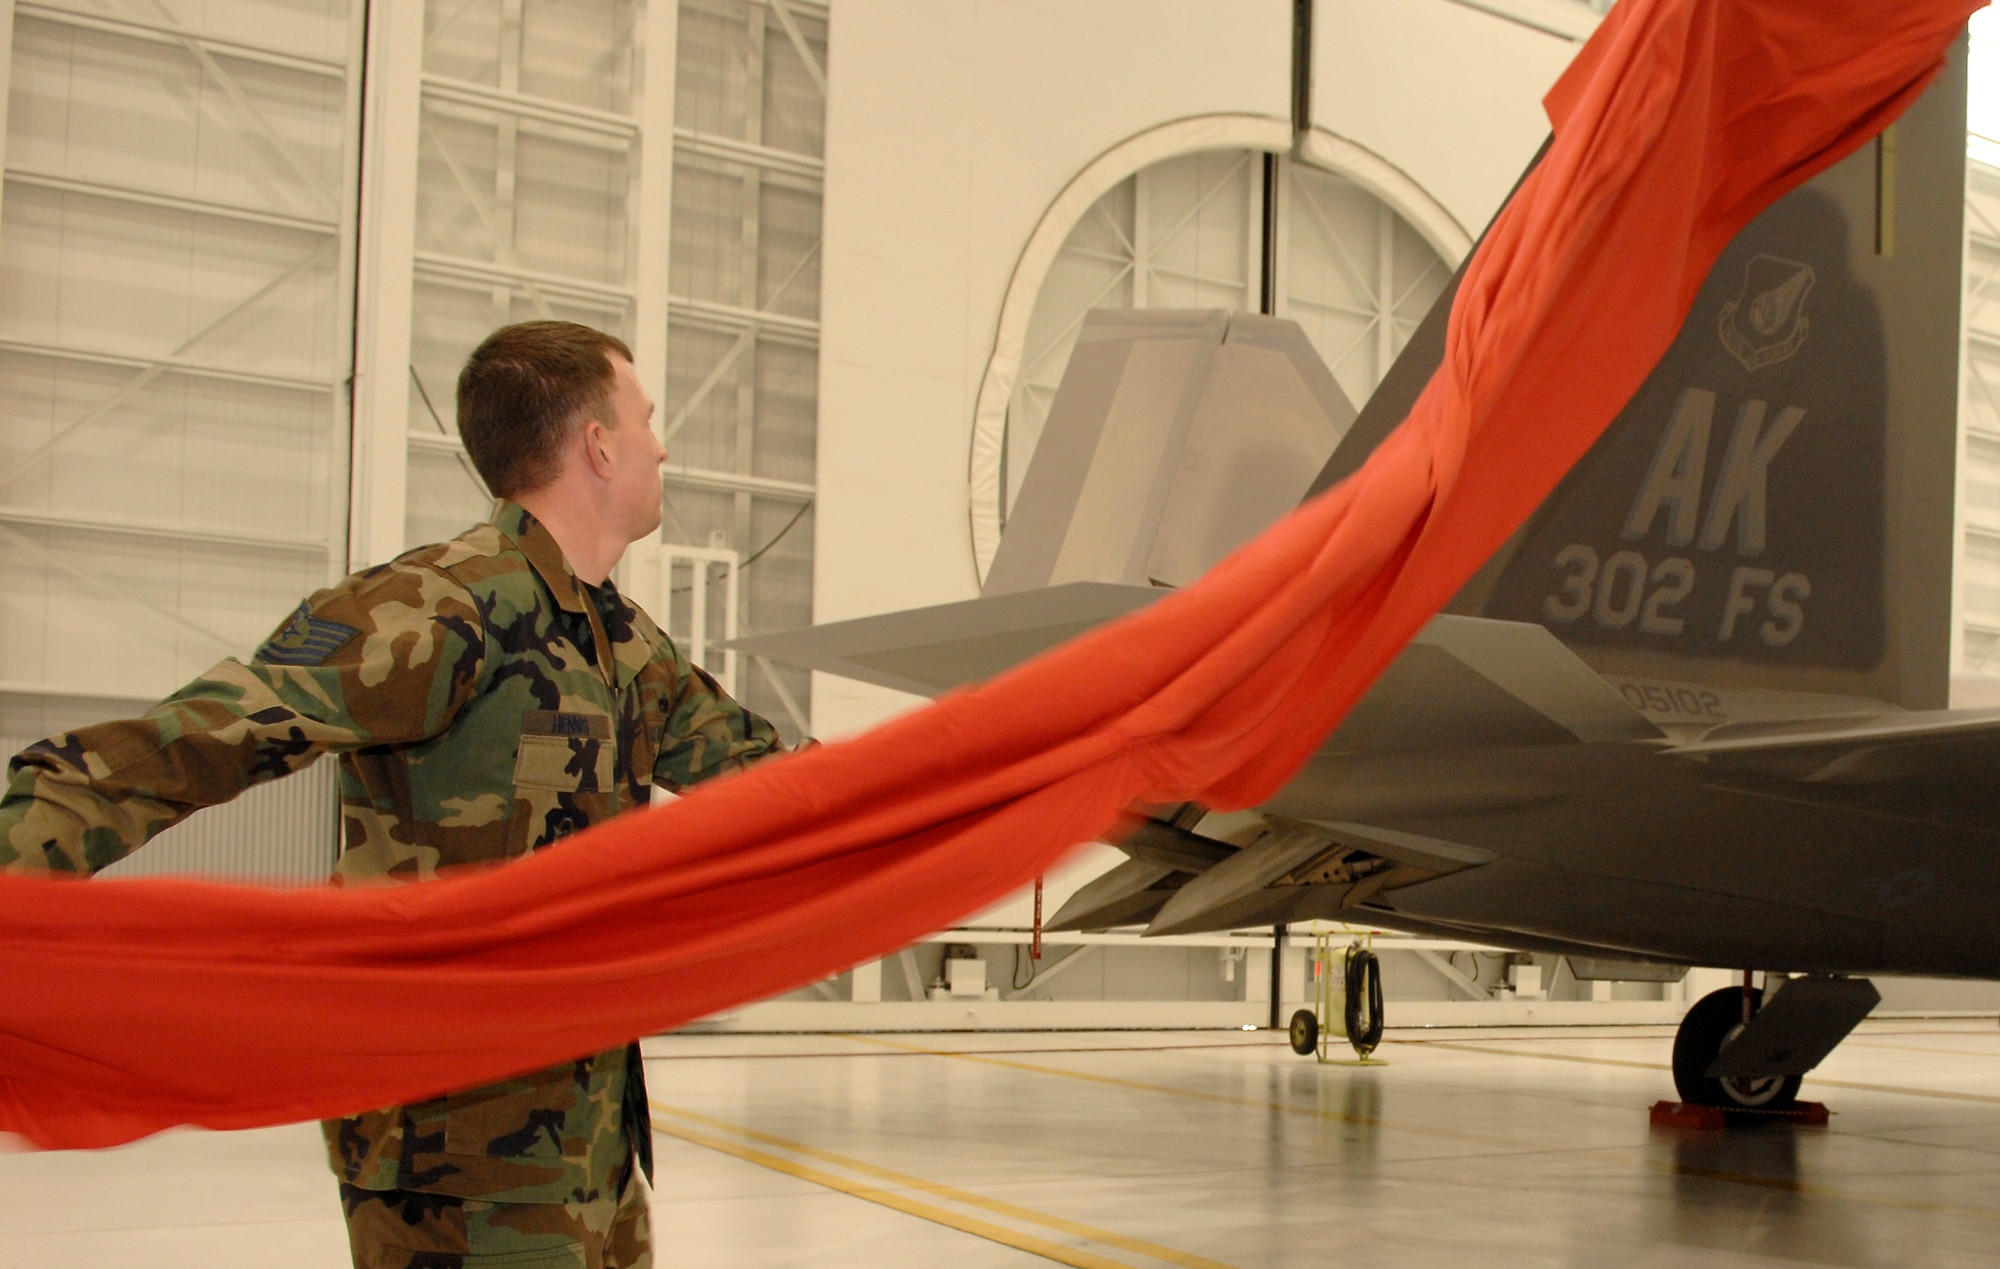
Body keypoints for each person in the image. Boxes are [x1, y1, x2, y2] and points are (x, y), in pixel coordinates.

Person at [0, 320, 785, 1269]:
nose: (662, 444)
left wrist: (999, 790)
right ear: (597, 444)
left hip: (593, 1156)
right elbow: (189, 742)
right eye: (647, 418)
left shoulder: (624, 645)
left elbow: (791, 787)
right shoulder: (440, 606)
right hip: (453, 1168)